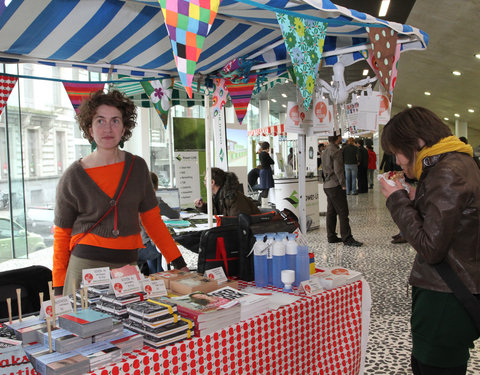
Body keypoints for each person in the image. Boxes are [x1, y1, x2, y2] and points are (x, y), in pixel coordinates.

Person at [53, 90, 188, 295]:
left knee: (129, 323)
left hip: (127, 266)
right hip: (86, 266)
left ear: (124, 127)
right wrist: (58, 287)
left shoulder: (138, 167)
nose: (108, 128)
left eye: (115, 120)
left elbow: (152, 221)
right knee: (86, 325)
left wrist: (178, 262)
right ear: (89, 128)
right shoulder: (73, 176)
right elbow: (62, 235)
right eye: (100, 121)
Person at [379, 106, 480, 375]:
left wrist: (396, 200)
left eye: (398, 152)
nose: (398, 161)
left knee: (434, 366)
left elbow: (431, 247)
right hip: (450, 291)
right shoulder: (455, 163)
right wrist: (416, 200)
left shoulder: (447, 172)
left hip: (445, 296)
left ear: (418, 143)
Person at [322, 133, 363, 247]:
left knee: (331, 211)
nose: (341, 138)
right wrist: (343, 184)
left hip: (327, 185)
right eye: (340, 136)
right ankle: (347, 238)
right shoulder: (336, 151)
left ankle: (331, 236)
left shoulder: (325, 150)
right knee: (343, 211)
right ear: (337, 138)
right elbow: (338, 169)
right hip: (335, 185)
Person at [137, 172, 179, 275]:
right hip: (144, 248)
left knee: (155, 245)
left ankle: (155, 274)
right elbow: (174, 215)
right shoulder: (154, 201)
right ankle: (159, 276)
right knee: (161, 246)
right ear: (155, 187)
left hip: (135, 245)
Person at [194, 167, 260, 216]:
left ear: (212, 182)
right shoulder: (217, 196)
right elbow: (215, 212)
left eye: (205, 181)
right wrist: (202, 206)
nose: (204, 183)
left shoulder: (232, 197)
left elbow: (237, 221)